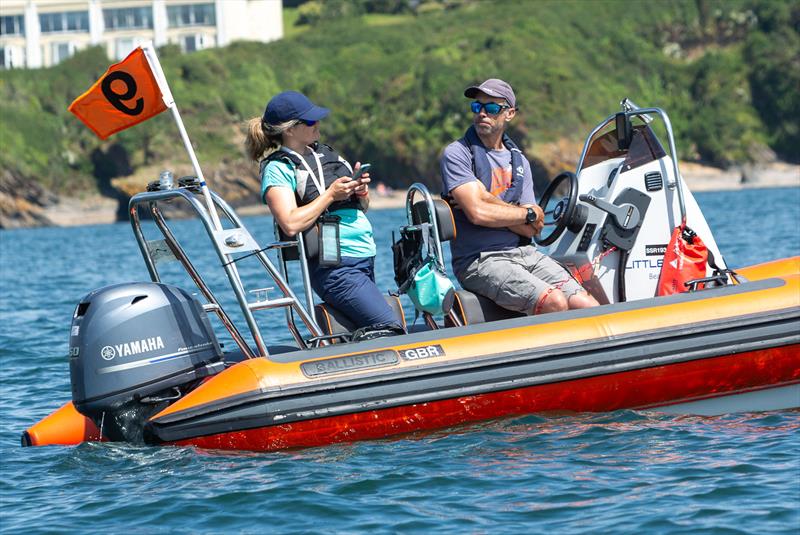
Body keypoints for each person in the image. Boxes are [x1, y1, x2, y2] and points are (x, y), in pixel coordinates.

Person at [245, 90, 402, 331]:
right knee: (389, 325)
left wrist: (360, 192)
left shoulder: (327, 155)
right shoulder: (278, 168)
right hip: (335, 268)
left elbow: (363, 207)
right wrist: (330, 195)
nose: (317, 124)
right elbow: (290, 222)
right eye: (309, 121)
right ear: (289, 130)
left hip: (363, 258)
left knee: (375, 326)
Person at [440, 78, 599, 315]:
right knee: (554, 302)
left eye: (492, 108)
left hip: (525, 253)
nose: (482, 113)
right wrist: (523, 214)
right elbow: (477, 213)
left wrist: (488, 198)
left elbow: (533, 229)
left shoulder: (519, 161)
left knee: (587, 305)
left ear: (509, 113)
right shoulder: (457, 154)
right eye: (477, 107)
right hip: (481, 260)